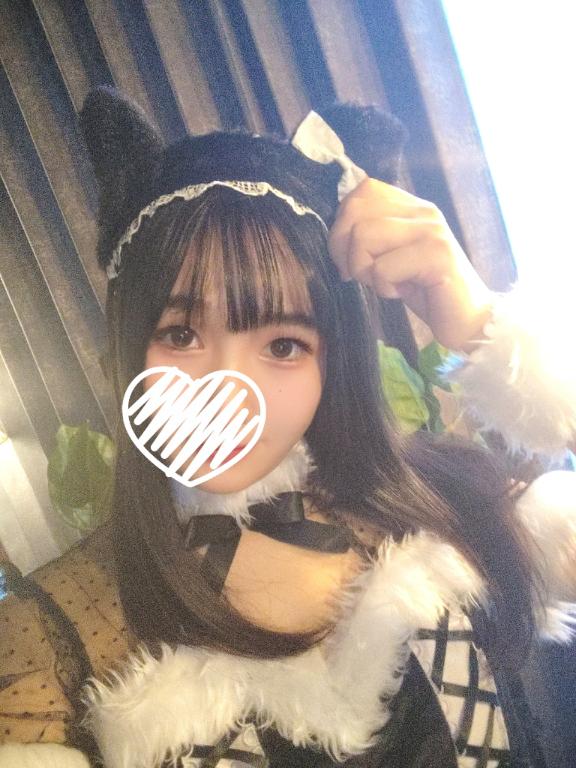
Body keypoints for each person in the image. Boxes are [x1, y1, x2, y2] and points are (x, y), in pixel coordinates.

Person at [0, 86, 574, 768]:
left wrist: (482, 328)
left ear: (333, 360)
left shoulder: (445, 500)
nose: (228, 389)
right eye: (181, 334)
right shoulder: (56, 633)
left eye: (282, 345)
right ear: (123, 354)